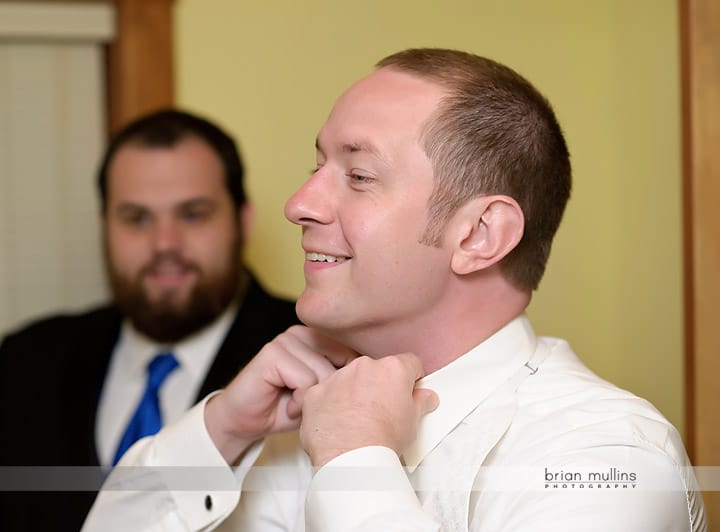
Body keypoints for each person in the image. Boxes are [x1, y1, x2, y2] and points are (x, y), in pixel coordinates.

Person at [82, 50, 705, 531]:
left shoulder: (607, 459)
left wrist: (355, 459)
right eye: (316, 165)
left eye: (357, 175)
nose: (298, 204)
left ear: (480, 235)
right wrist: (220, 430)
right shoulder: (283, 428)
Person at [0, 109, 299, 532]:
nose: (164, 244)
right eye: (137, 218)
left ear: (242, 221)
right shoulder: (29, 360)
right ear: (105, 226)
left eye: (193, 214)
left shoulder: (314, 353)